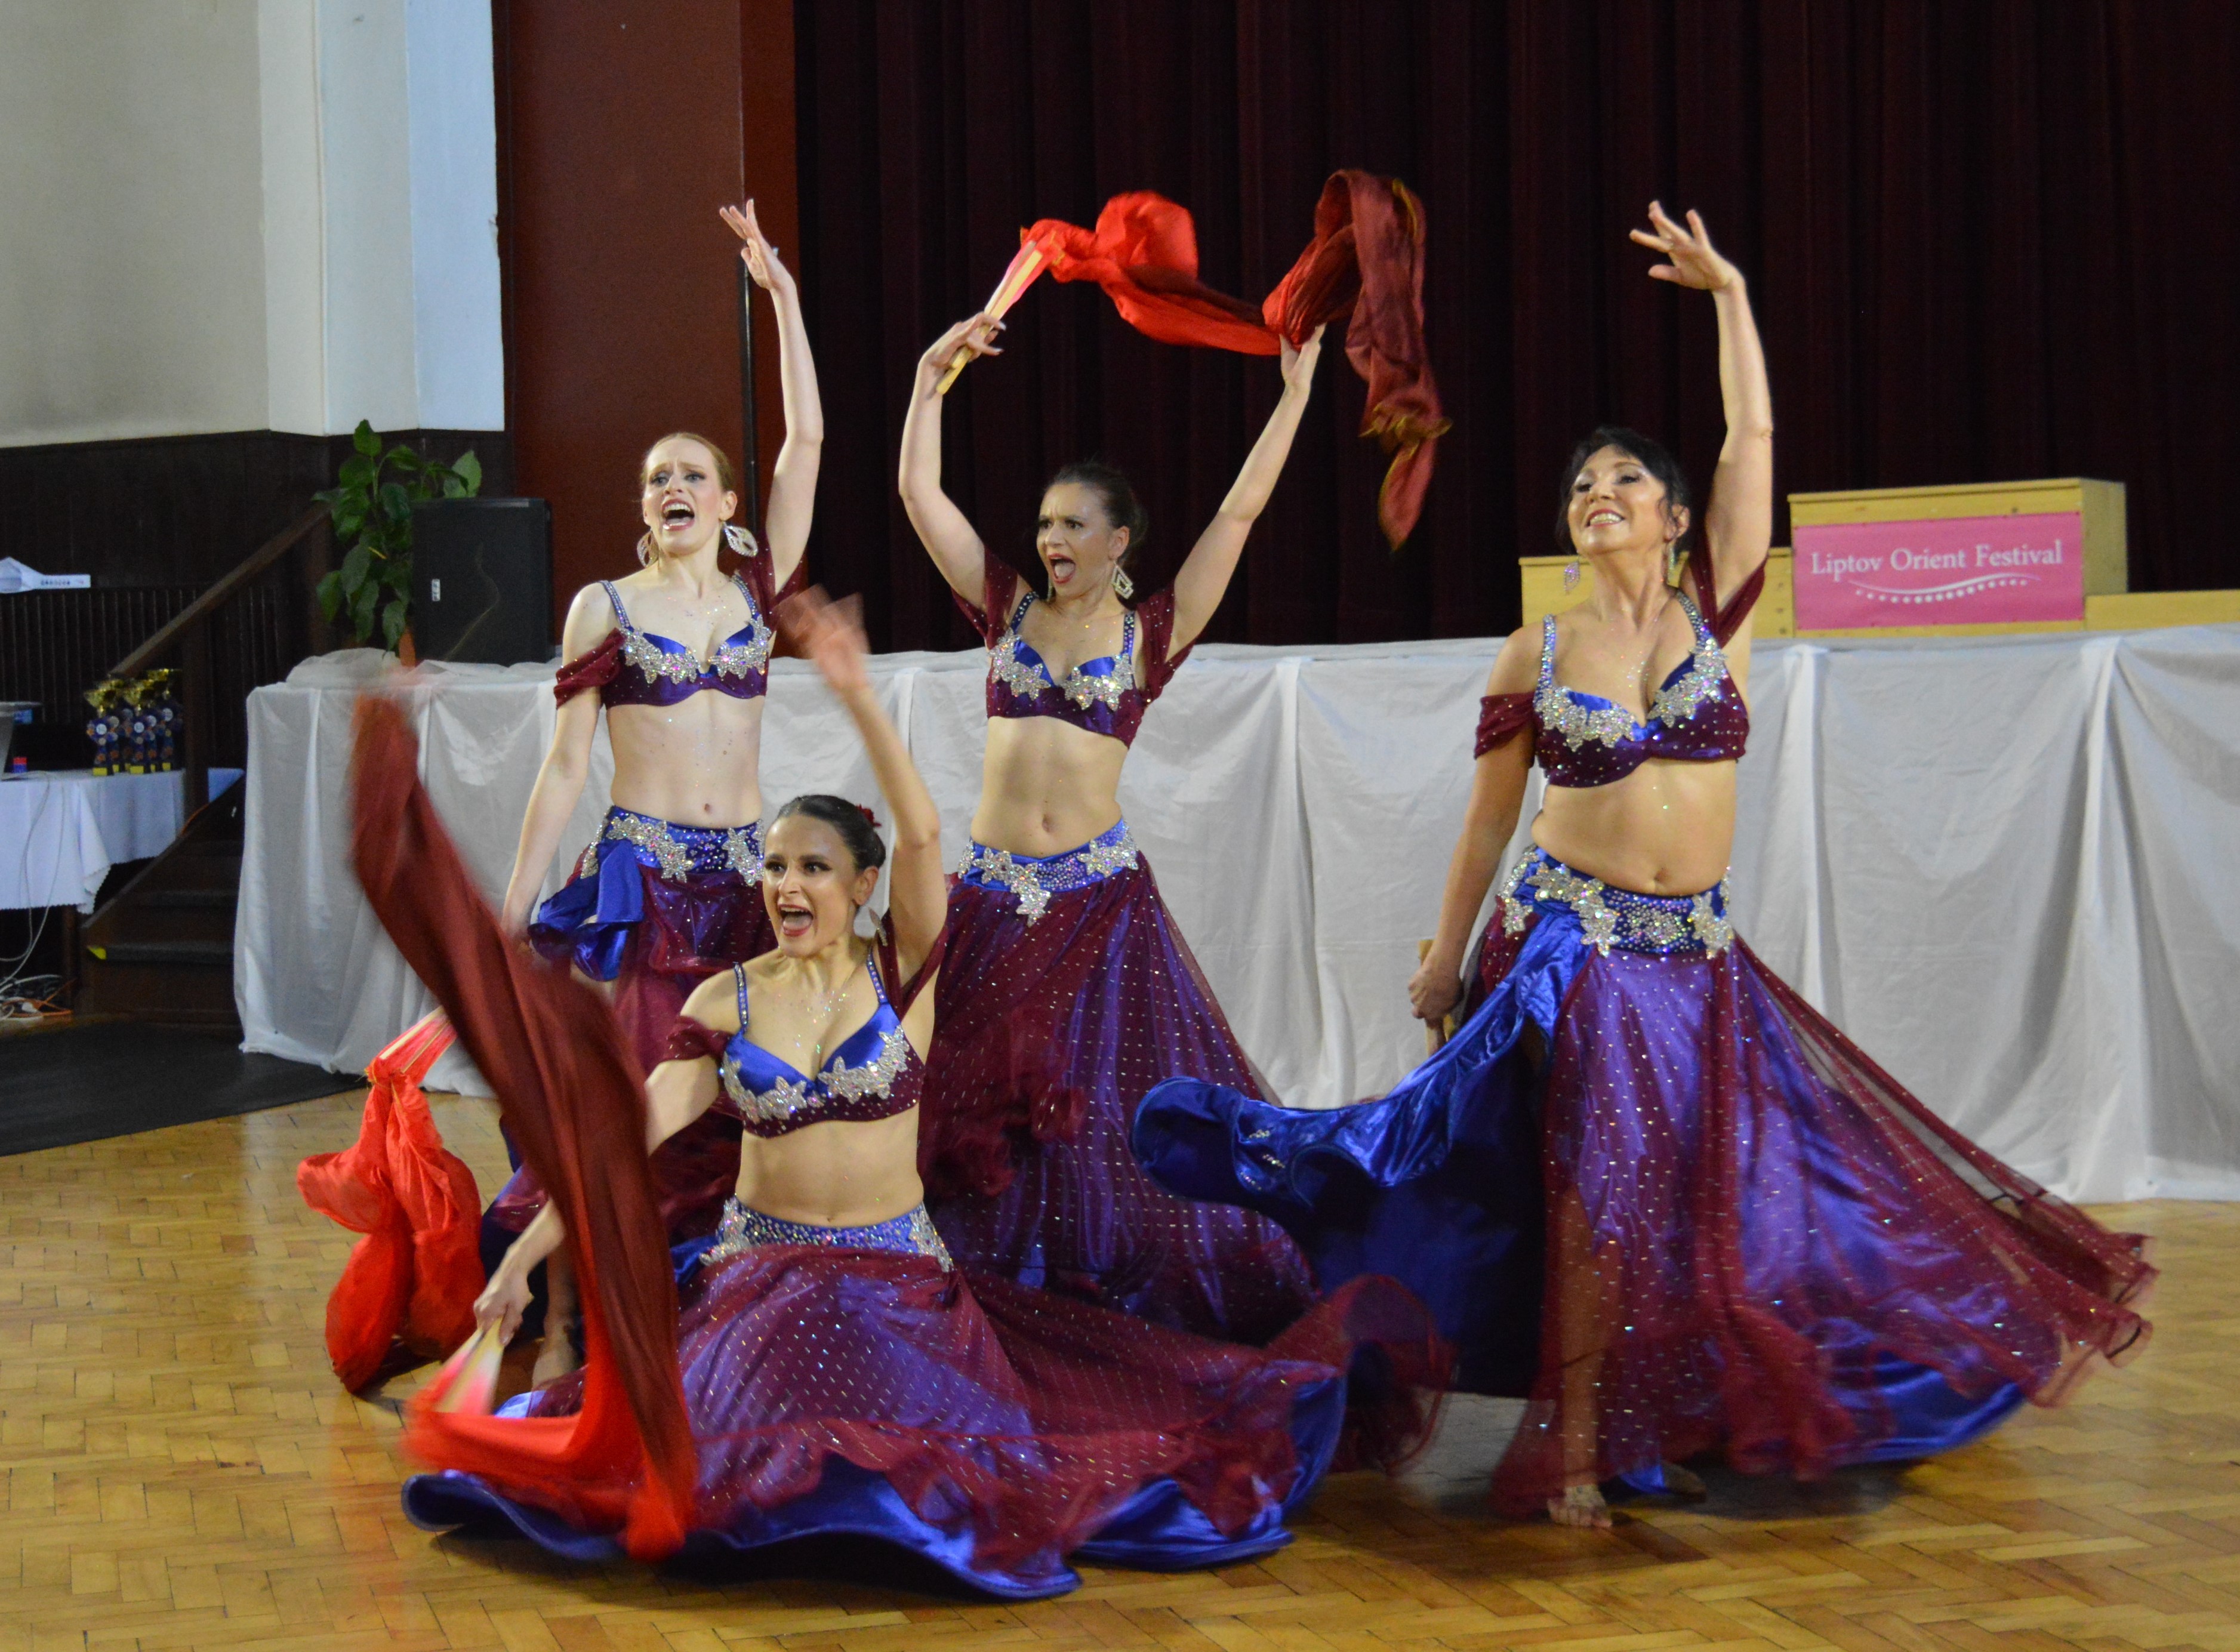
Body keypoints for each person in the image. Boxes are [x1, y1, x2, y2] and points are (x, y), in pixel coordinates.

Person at [1133, 204, 2155, 1527]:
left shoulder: (1715, 617)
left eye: (1622, 482)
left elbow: (1755, 441)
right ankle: (1575, 1442)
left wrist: (1728, 298)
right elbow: (1483, 824)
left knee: (1704, 1199)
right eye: (1580, 486)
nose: (1596, 496)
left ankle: (1661, 1411)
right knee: (1600, 1196)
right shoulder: (1538, 649)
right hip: (1575, 958)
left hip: (1701, 962)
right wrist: (1445, 954)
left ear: (1672, 518)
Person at [386, 594, 1442, 1597]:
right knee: (732, 1458)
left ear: (858, 889)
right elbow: (619, 1144)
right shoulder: (726, 997)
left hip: (901, 1287)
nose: (786, 887)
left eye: (812, 869)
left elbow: (926, 835)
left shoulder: (907, 981)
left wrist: (851, 692)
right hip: (766, 1284)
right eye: (774, 869)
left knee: (933, 1457)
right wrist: (523, 1261)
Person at [895, 310, 1324, 1345]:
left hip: (1098, 909)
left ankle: (1089, 1305)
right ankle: (985, 1311)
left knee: (1085, 1125)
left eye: (1074, 525)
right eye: (1045, 525)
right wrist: (925, 381)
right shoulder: (1002, 610)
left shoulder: (1148, 634)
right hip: (994, 903)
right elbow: (919, 495)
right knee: (981, 1121)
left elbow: (1240, 513)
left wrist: (1295, 395)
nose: (1051, 541)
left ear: (1119, 541)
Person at [484, 202, 821, 1380]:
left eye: (691, 474)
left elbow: (805, 448)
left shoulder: (754, 593)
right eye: (652, 479)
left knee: (738, 1118)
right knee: (617, 1116)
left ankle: (716, 1324)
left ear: (727, 506)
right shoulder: (603, 607)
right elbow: (564, 763)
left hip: (744, 898)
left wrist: (778, 297)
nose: (669, 486)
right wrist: (515, 901)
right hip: (642, 895)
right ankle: (573, 1323)